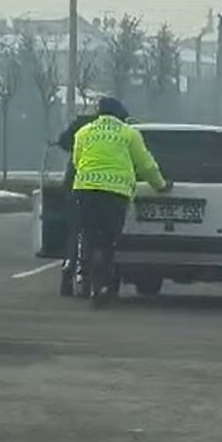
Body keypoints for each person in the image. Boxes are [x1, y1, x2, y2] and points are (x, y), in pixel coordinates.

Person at [73, 97, 172, 306]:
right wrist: (160, 185)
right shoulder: (129, 134)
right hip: (114, 193)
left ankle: (84, 279)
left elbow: (77, 160)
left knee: (88, 235)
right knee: (108, 241)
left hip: (85, 190)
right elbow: (146, 166)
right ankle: (104, 285)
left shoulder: (83, 132)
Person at [56, 114, 97, 297]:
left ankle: (68, 266)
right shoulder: (118, 127)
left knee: (75, 228)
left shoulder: (81, 124)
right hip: (100, 183)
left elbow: (63, 141)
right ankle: (89, 272)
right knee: (95, 230)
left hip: (75, 180)